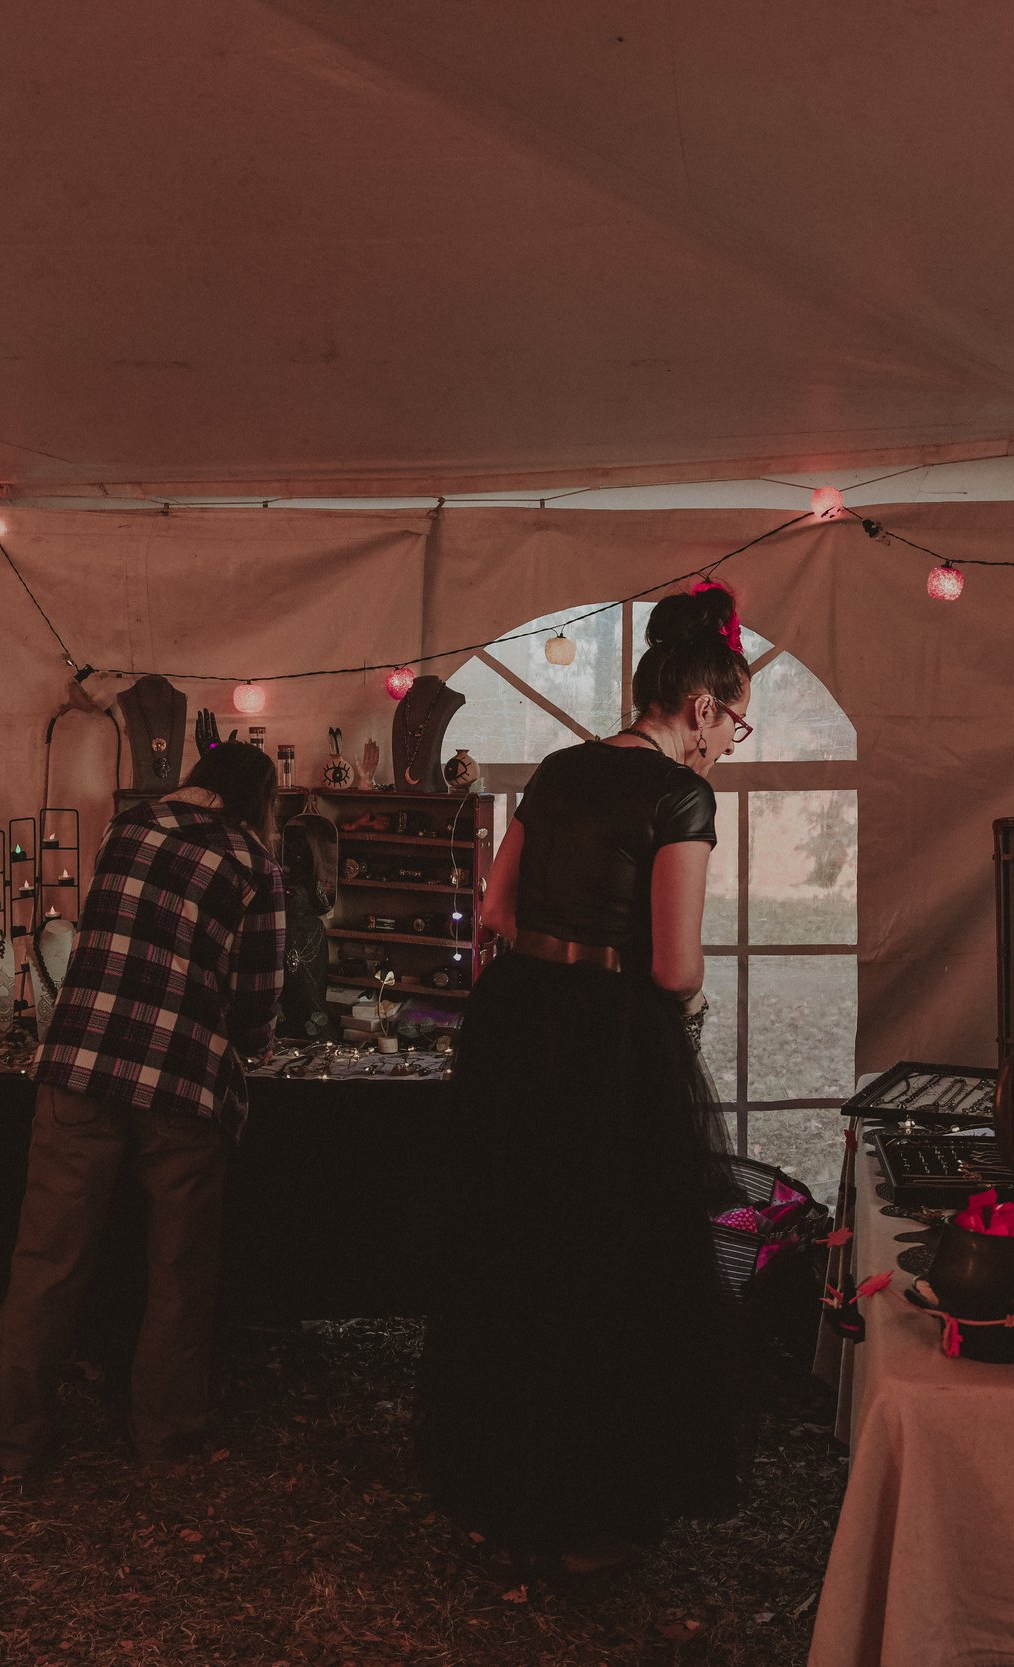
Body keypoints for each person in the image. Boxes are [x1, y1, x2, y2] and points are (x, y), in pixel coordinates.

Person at [415, 580, 751, 1573]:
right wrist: (673, 1022)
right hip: (611, 1040)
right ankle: (585, 1499)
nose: (731, 739)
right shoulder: (682, 792)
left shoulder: (560, 768)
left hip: (520, 1023)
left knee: (516, 1240)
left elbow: (495, 912)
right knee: (608, 1261)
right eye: (733, 720)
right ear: (699, 706)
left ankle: (497, 1477)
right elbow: (675, 965)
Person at [0, 741, 286, 1472]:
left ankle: (6, 1434)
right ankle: (165, 1436)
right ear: (260, 801)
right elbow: (258, 1001)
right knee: (180, 1270)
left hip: (82, 1062)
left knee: (48, 1258)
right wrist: (247, 1041)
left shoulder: (130, 827)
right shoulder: (256, 862)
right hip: (184, 1080)